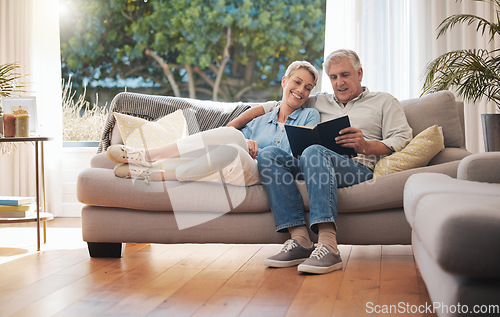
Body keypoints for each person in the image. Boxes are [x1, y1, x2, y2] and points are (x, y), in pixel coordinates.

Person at [232, 49, 413, 274]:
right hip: (313, 164)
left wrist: (366, 145)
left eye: (345, 75)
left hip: (356, 168)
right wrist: (242, 120)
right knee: (269, 154)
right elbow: (283, 102)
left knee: (314, 151)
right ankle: (300, 241)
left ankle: (329, 246)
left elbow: (402, 138)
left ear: (360, 73)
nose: (339, 83)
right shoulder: (318, 101)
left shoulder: (384, 101)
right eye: (334, 77)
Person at [106, 60, 321, 186]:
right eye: (298, 82)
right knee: (233, 142)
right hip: (238, 164)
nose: (301, 90)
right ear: (285, 82)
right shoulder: (261, 118)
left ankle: (150, 158)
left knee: (235, 142)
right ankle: (149, 163)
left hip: (270, 175)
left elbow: (303, 154)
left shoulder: (309, 116)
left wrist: (263, 150)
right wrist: (246, 143)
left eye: (308, 88)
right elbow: (228, 135)